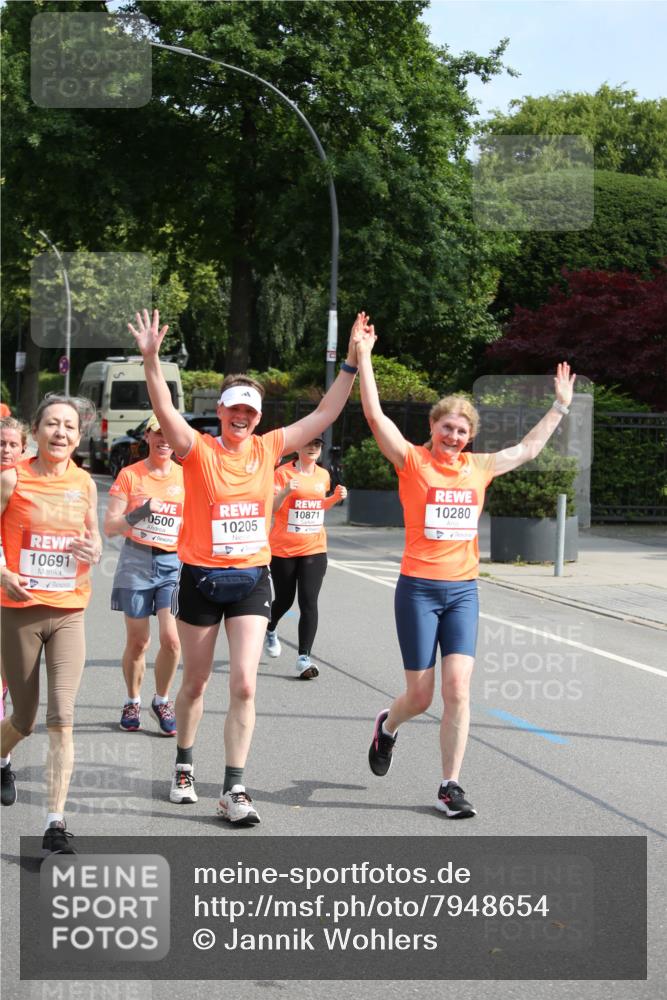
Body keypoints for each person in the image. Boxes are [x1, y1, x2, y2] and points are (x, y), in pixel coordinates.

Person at [128, 308, 370, 825]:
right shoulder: (197, 449)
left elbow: (324, 414)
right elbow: (164, 407)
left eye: (250, 411)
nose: (242, 417)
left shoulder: (269, 448)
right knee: (194, 685)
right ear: (220, 409)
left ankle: (234, 787)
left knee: (244, 684)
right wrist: (150, 359)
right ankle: (185, 767)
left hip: (251, 580)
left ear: (258, 417)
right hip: (199, 578)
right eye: (235, 408)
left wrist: (351, 364)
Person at [355, 324, 576, 818]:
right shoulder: (411, 462)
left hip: (462, 593)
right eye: (446, 427)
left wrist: (560, 406)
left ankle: (449, 785)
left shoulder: (480, 467)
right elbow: (374, 415)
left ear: (470, 436)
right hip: (417, 590)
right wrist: (364, 356)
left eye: (461, 430)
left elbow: (528, 450)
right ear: (432, 428)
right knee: (420, 695)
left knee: (457, 689)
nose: (453, 436)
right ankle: (387, 726)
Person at [0, 394, 101, 854]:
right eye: (52, 424)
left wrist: (93, 551)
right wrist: (2, 570)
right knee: (23, 718)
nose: (61, 433)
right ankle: (2, 756)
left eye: (70, 427)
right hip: (19, 610)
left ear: (79, 437)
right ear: (35, 431)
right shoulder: (11, 478)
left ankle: (55, 823)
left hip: (68, 611)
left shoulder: (85, 483)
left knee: (62, 716)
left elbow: (94, 538)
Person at [104, 414, 183, 735]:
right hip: (136, 560)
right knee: (139, 642)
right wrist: (140, 512)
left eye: (169, 434)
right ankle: (132, 700)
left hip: (173, 564)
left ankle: (161, 699)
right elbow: (110, 527)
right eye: (157, 433)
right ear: (147, 437)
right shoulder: (130, 476)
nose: (164, 439)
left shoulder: (187, 475)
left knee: (172, 641)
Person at [265, 437, 347, 678]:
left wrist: (335, 498)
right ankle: (270, 628)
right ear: (298, 448)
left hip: (314, 547)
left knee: (309, 600)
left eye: (317, 445)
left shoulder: (323, 475)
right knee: (284, 599)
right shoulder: (282, 474)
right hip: (283, 549)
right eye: (308, 444)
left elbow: (317, 507)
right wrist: (286, 492)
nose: (313, 448)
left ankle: (304, 658)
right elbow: (273, 508)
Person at [1, 417, 29, 715]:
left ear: (23, 448)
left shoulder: (28, 481)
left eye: (12, 445)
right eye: (1, 444)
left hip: (15, 580)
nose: (6, 450)